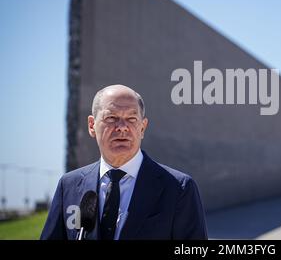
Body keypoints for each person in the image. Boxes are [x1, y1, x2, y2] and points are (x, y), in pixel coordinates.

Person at [41, 84, 208, 240]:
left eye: (131, 119)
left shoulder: (179, 189)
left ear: (142, 128)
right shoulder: (69, 186)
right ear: (92, 125)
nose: (122, 127)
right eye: (111, 118)